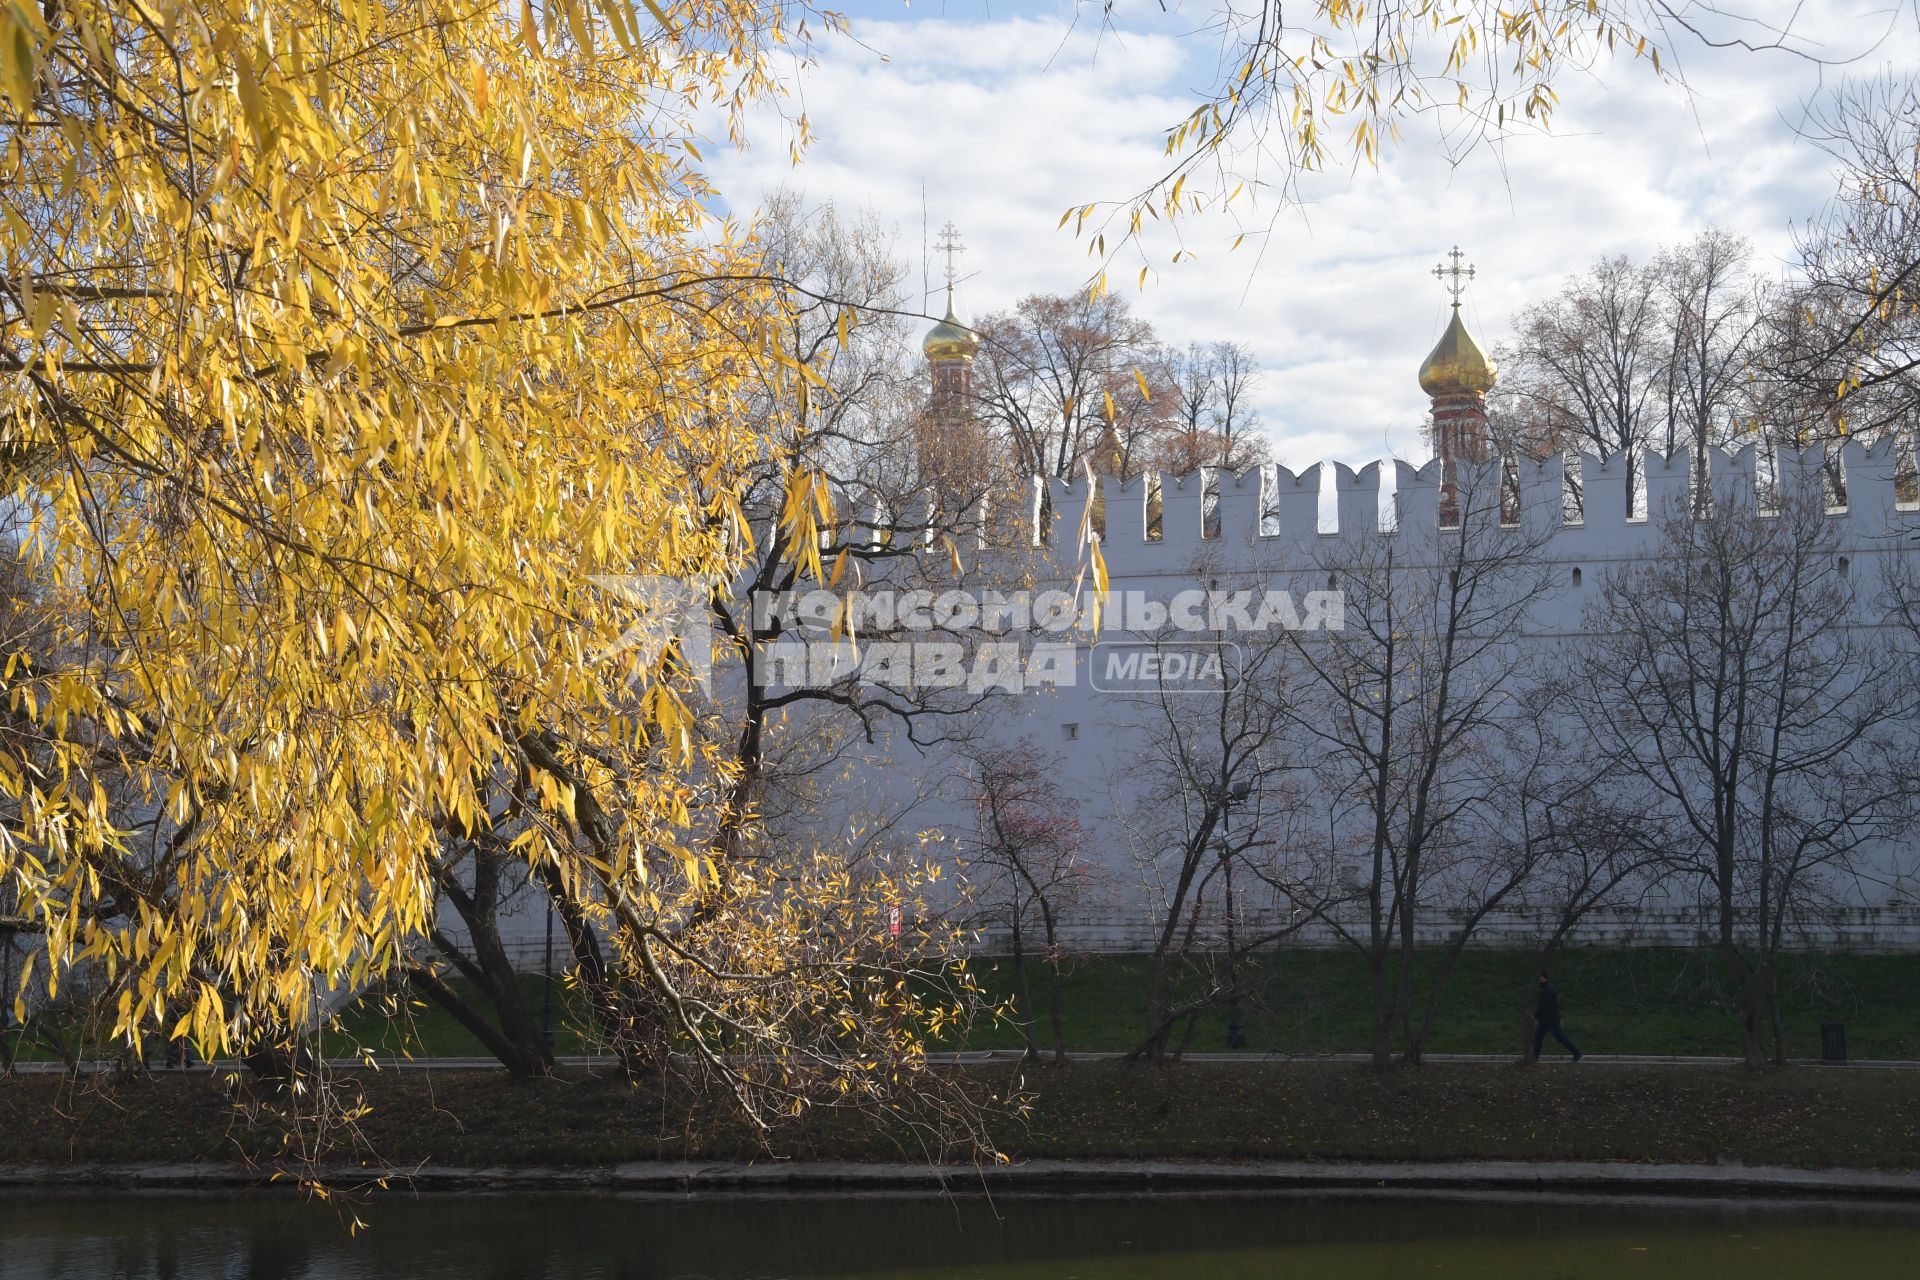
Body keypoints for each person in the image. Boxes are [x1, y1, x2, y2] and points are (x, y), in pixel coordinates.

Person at [1533, 970, 1583, 1062]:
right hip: (1547, 1018)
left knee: (1558, 1037)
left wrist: (1536, 1014)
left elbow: (1545, 1004)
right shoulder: (1548, 988)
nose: (1538, 980)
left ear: (1544, 978)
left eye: (1539, 978)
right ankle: (1534, 1058)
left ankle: (1577, 1053)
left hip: (1549, 1019)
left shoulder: (1548, 989)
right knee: (1540, 1037)